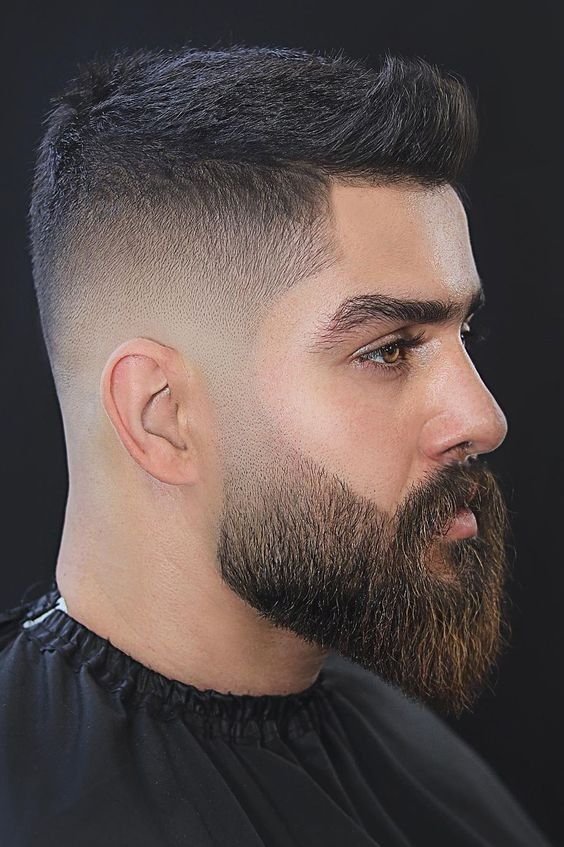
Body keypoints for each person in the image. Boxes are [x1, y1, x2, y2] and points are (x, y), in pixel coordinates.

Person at [0, 44, 553, 847]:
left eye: (463, 333)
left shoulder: (419, 762)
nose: (483, 416)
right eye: (389, 349)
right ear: (162, 416)